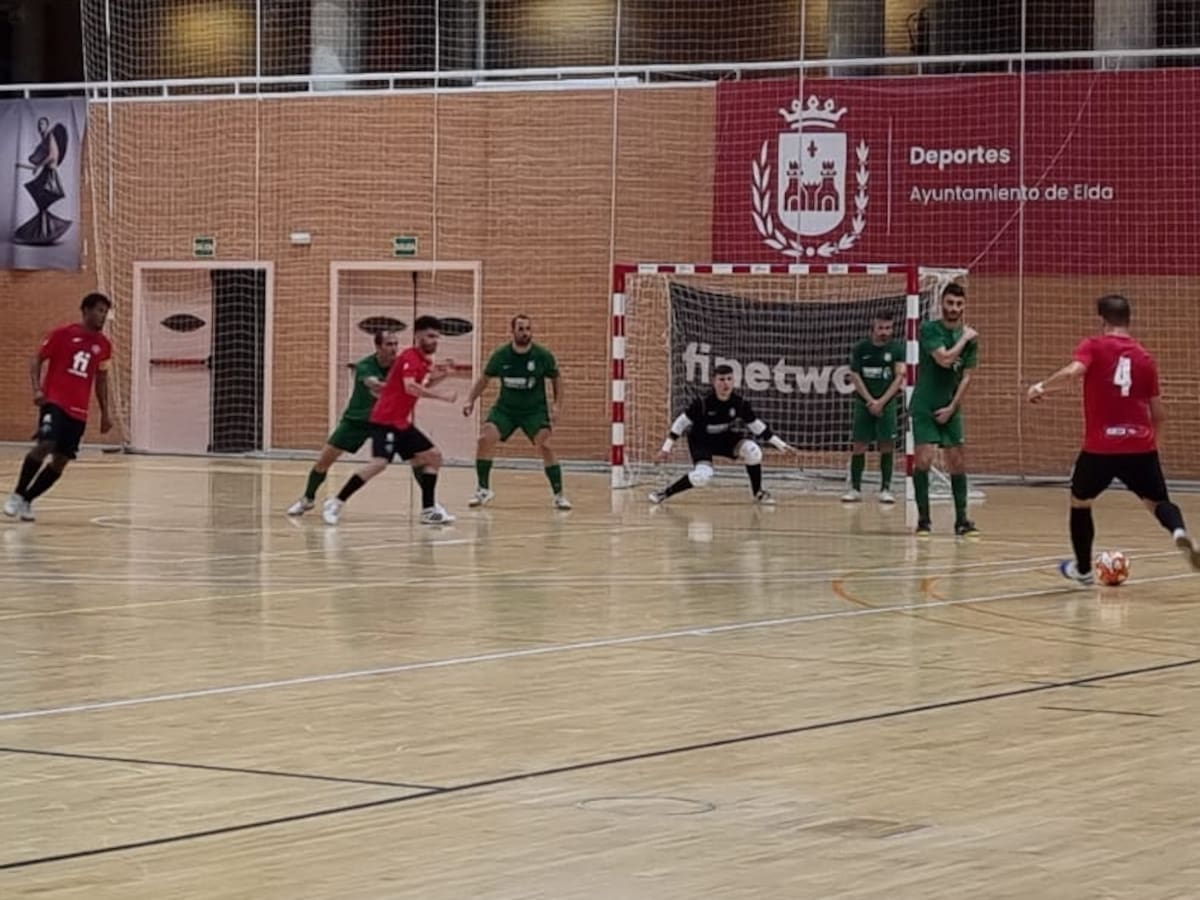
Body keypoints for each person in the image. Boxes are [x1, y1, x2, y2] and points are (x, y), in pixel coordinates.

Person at [1027, 293, 1200, 584]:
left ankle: (1083, 570)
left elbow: (1073, 372)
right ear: (1128, 320)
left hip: (1101, 448)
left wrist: (1041, 387)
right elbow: (1159, 414)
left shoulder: (1093, 346)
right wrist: (1153, 449)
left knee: (1080, 500)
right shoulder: (1145, 358)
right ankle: (1179, 531)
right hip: (1140, 446)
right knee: (1158, 502)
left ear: (1102, 320)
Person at [322, 316, 457, 526]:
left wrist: (443, 376)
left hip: (400, 422)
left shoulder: (424, 361)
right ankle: (336, 503)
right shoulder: (409, 357)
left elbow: (422, 385)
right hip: (385, 420)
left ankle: (429, 510)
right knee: (379, 464)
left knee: (433, 457)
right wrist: (442, 396)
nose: (435, 341)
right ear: (418, 336)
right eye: (430, 336)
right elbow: (410, 387)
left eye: (437, 337)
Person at [4, 293, 114, 522]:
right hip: (55, 401)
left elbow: (101, 380)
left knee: (61, 460)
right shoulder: (63, 334)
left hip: (79, 411)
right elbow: (37, 359)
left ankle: (27, 500)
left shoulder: (104, 346)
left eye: (105, 312)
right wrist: (37, 389)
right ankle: (17, 494)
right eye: (99, 310)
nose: (103, 316)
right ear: (86, 310)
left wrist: (105, 413)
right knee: (46, 443)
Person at [461, 314, 570, 510]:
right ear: (512, 331)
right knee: (484, 439)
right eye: (521, 329)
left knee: (546, 444)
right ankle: (483, 489)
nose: (525, 333)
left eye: (528, 329)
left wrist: (557, 405)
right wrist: (470, 400)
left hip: (534, 411)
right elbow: (484, 379)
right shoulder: (501, 356)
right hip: (506, 410)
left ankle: (559, 495)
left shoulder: (542, 355)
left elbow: (557, 379)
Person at [287, 330, 401, 516]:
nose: (394, 348)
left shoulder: (401, 366)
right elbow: (374, 385)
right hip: (356, 420)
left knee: (421, 456)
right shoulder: (365, 365)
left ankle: (429, 505)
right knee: (324, 461)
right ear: (378, 347)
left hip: (385, 422)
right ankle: (307, 499)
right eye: (389, 344)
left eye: (396, 344)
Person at [650, 364, 792, 505]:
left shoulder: (739, 403)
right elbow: (680, 423)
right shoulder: (702, 403)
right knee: (702, 476)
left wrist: (781, 445)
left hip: (724, 438)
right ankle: (664, 493)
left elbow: (757, 427)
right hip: (701, 441)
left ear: (734, 381)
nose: (726, 383)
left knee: (753, 451)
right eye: (722, 379)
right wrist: (665, 449)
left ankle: (758, 493)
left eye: (729, 379)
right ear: (714, 381)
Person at [910, 282, 979, 537]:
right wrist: (964, 338)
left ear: (964, 306)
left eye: (959, 304)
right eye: (950, 303)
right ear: (942, 304)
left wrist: (952, 407)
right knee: (924, 459)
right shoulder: (930, 329)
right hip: (925, 404)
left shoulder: (972, 339)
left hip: (951, 406)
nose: (954, 308)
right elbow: (945, 359)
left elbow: (967, 376)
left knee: (957, 462)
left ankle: (962, 521)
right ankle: (923, 520)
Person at [843, 313, 906, 505]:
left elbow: (899, 377)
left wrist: (881, 402)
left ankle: (885, 489)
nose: (884, 332)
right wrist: (870, 401)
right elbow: (855, 376)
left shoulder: (897, 349)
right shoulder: (861, 348)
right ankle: (855, 488)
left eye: (888, 328)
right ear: (873, 328)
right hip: (864, 403)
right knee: (859, 444)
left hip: (887, 403)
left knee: (887, 444)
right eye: (881, 328)